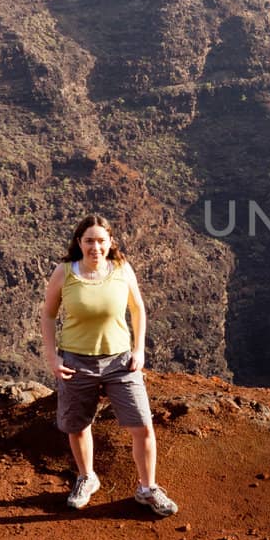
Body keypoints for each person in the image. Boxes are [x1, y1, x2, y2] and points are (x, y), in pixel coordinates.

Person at [40, 213, 179, 516]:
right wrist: (53, 357)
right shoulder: (64, 272)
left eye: (101, 240)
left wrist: (139, 350)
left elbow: (138, 309)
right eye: (89, 240)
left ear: (110, 242)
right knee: (77, 425)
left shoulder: (122, 269)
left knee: (142, 424)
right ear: (79, 242)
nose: (95, 246)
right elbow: (48, 315)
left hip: (120, 361)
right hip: (76, 360)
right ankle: (87, 477)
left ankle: (147, 488)